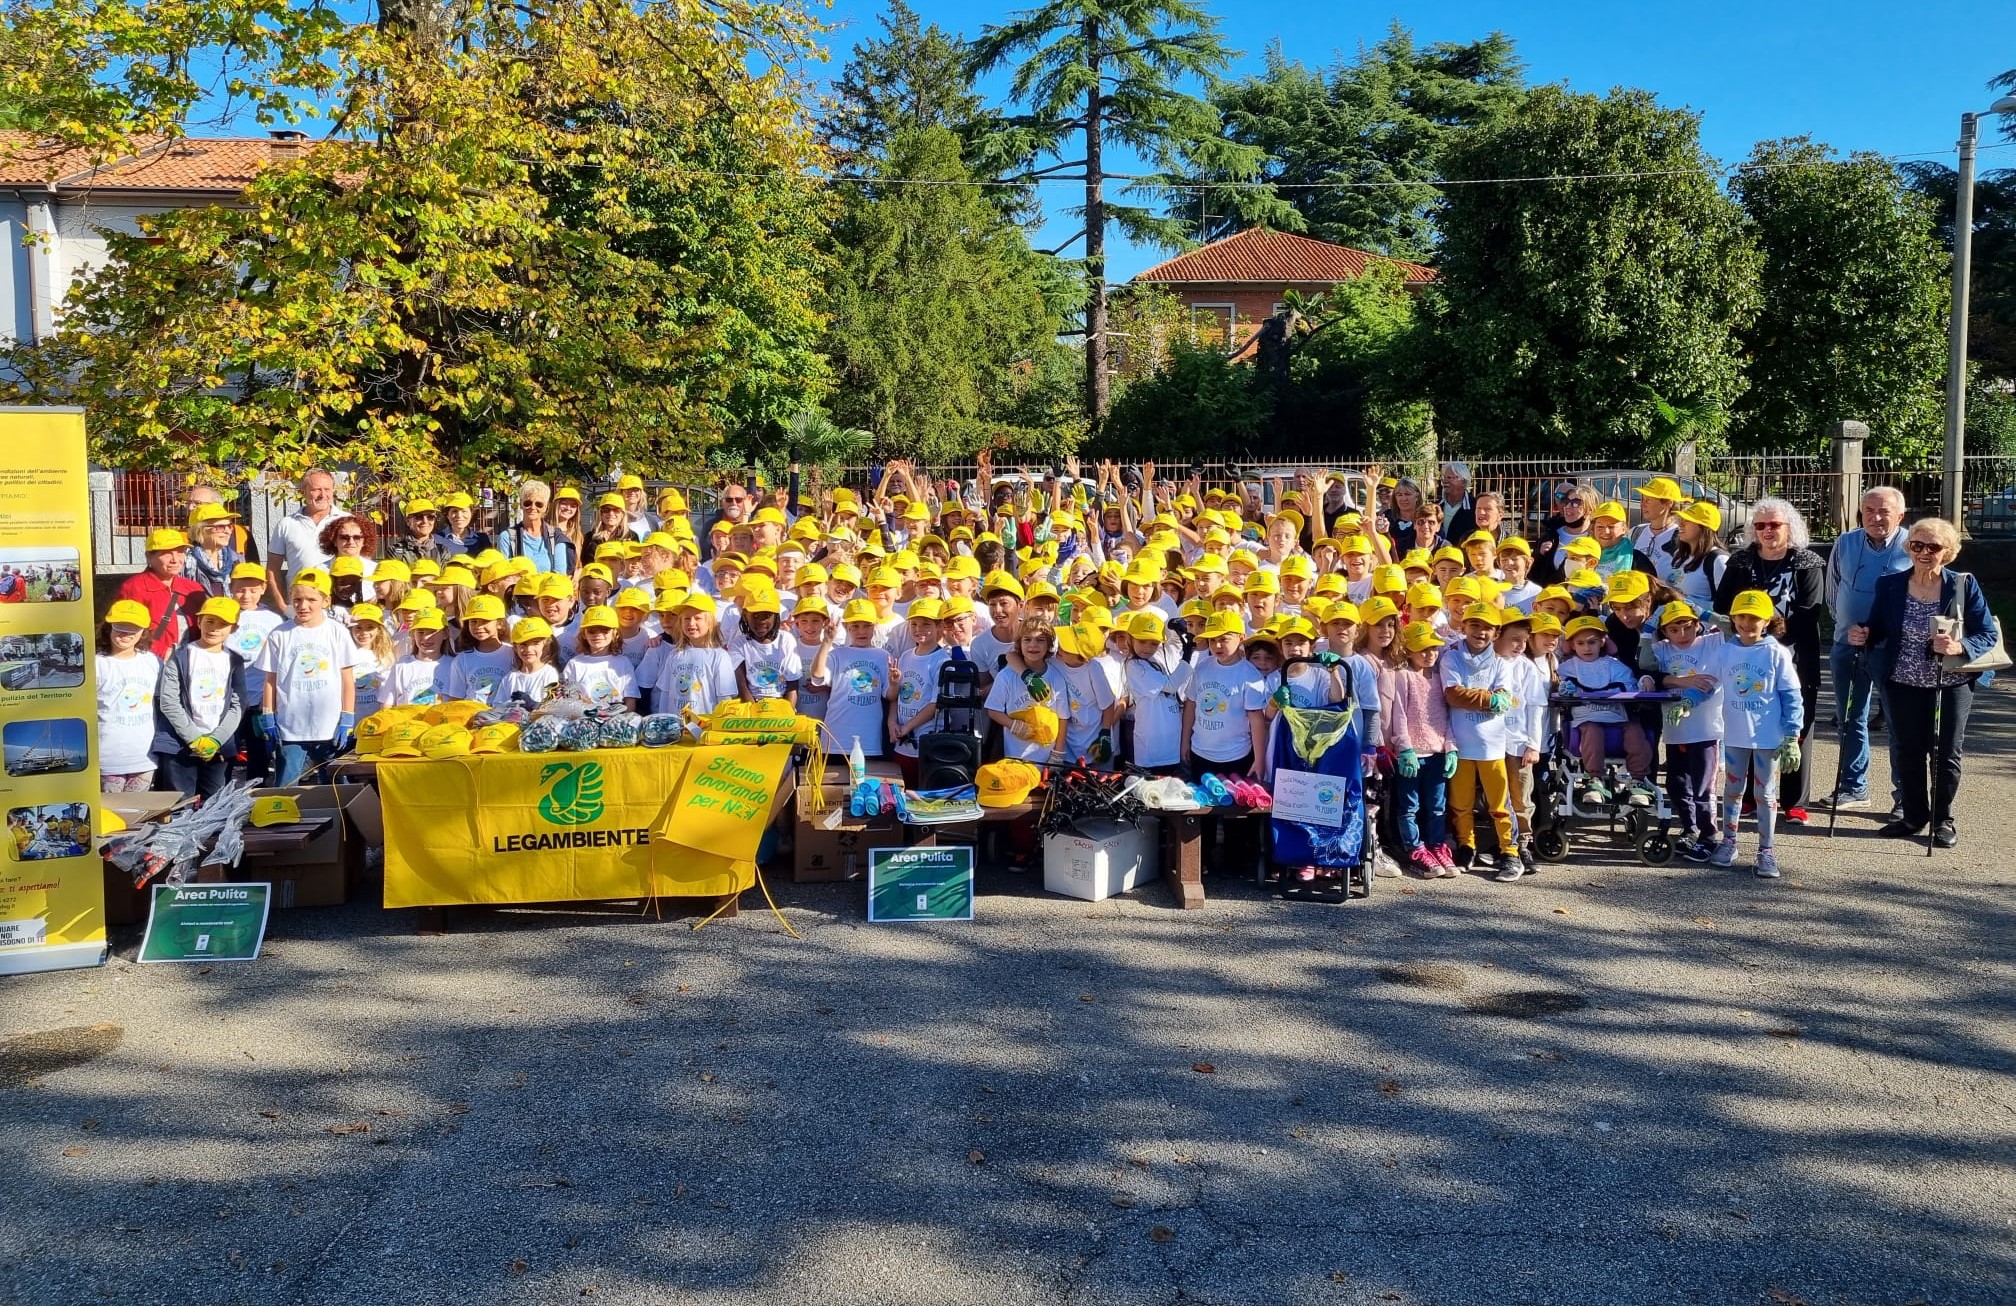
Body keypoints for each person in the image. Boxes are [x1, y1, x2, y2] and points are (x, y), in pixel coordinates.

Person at [1848, 516, 1999, 848]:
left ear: (1948, 552)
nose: (1924, 552)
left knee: (1946, 752)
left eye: (1933, 546)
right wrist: (1864, 632)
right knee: (1907, 750)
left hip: (1951, 680)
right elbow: (1878, 627)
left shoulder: (1961, 584)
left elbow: (1987, 633)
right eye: (1917, 545)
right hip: (1901, 680)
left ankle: (1942, 820)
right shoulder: (1891, 584)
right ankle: (1914, 816)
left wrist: (1961, 646)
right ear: (1909, 547)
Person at [1715, 498, 1825, 822]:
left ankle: (1793, 801)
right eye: (1760, 525)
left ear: (1789, 528)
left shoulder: (1807, 562)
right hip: (1747, 656)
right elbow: (1723, 604)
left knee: (1797, 720)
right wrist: (1751, 639)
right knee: (1750, 720)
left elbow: (1810, 611)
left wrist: (1771, 641)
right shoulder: (1740, 561)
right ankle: (1749, 796)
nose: (1767, 531)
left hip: (1795, 653)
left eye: (1774, 525)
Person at [1824, 487, 1910, 813]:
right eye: (1868, 510)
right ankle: (1853, 787)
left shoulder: (1912, 544)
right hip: (1849, 643)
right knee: (1851, 717)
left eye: (1884, 511)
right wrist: (1849, 625)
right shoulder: (1845, 542)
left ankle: (1904, 798)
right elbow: (1834, 591)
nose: (1875, 517)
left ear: (1900, 515)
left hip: (1895, 649)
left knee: (1899, 722)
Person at [1709, 591, 1804, 878]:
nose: (1747, 623)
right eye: (1742, 616)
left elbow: (1792, 695)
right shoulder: (1725, 650)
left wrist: (1791, 736)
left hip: (1768, 738)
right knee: (1733, 791)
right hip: (1735, 734)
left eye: (1755, 618)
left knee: (1765, 793)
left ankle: (1767, 850)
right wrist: (1688, 699)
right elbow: (1709, 681)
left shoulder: (1776, 652)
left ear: (1767, 621)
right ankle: (1728, 842)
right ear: (1733, 618)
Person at [253, 570, 362, 785]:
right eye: (297, 599)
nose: (303, 605)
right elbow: (270, 680)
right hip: (290, 726)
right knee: (286, 784)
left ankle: (340, 820)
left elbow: (347, 679)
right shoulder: (280, 634)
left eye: (311, 599)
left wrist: (347, 716)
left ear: (326, 600)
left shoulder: (337, 632)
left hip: (329, 726)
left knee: (336, 785)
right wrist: (268, 714)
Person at [1439, 603, 1518, 877]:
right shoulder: (1451, 657)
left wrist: (1479, 697)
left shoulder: (1501, 663)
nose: (1480, 632)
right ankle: (1466, 846)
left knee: (1499, 806)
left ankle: (1510, 852)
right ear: (1463, 627)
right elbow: (1453, 695)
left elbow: (1505, 700)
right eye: (1474, 625)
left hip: (1492, 746)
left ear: (1496, 633)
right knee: (1460, 805)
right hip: (1459, 745)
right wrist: (1489, 698)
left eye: (1487, 627)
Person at [151, 596, 248, 797]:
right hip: (179, 746)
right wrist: (195, 739)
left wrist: (216, 740)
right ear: (199, 621)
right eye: (210, 621)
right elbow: (169, 702)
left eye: (223, 624)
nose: (214, 628)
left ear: (234, 628)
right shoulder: (180, 656)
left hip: (218, 746)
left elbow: (238, 705)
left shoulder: (235, 661)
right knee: (179, 805)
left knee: (215, 805)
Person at [96, 599, 163, 792]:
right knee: (111, 816)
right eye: (120, 627)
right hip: (107, 757)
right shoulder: (97, 664)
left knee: (137, 814)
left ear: (143, 631)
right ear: (109, 627)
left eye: (133, 628)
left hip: (144, 757)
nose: (125, 634)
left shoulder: (152, 662)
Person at [116, 527, 206, 657]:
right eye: (167, 553)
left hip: (190, 662)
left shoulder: (193, 589)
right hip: (152, 662)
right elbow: (124, 631)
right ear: (149, 557)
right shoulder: (134, 587)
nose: (175, 559)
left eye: (180, 552)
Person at [265, 468, 349, 608]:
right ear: (302, 491)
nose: (323, 495)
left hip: (338, 606)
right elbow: (272, 569)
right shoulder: (286, 524)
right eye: (316, 489)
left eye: (327, 489)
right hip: (300, 606)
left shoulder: (347, 522)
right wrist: (282, 606)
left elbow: (361, 563)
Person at [496, 481, 578, 575]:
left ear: (546, 507)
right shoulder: (507, 537)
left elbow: (560, 576)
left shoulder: (556, 537)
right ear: (521, 505)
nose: (533, 507)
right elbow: (504, 575)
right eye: (528, 503)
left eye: (539, 504)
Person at [182, 503, 245, 596]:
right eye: (220, 527)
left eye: (229, 526)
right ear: (201, 530)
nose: (228, 531)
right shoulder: (184, 561)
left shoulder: (236, 560)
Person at [387, 499, 454, 566]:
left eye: (430, 517)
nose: (425, 521)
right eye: (419, 517)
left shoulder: (442, 551)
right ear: (408, 521)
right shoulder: (395, 551)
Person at [1437, 462, 1476, 544]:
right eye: (1444, 477)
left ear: (1463, 481)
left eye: (1450, 477)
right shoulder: (1435, 506)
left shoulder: (1475, 507)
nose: (1445, 481)